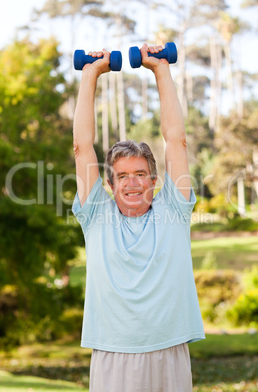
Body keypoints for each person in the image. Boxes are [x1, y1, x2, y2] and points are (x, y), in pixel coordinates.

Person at [72, 44, 205, 392]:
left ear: (154, 180)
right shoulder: (97, 215)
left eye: (140, 174)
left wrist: (161, 69)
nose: (132, 182)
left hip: (170, 349)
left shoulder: (173, 210)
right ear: (109, 184)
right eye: (123, 175)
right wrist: (90, 75)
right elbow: (82, 146)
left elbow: (176, 140)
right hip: (114, 353)